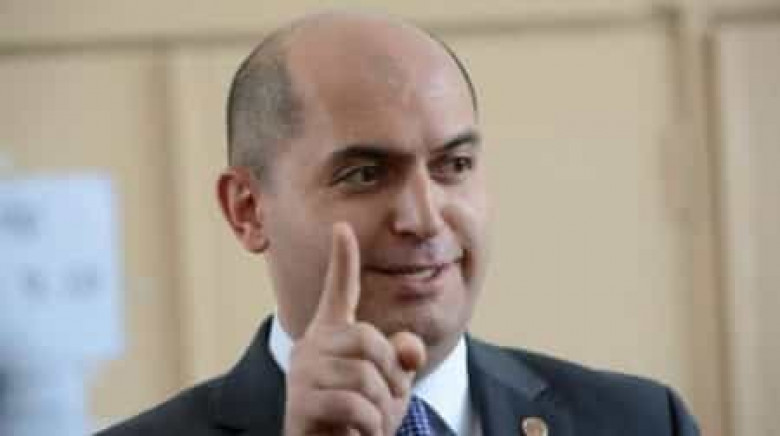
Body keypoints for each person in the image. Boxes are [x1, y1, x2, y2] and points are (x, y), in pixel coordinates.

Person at [98, 10, 700, 436]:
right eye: (364, 174)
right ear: (248, 210)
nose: (425, 218)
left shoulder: (642, 422)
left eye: (454, 165)